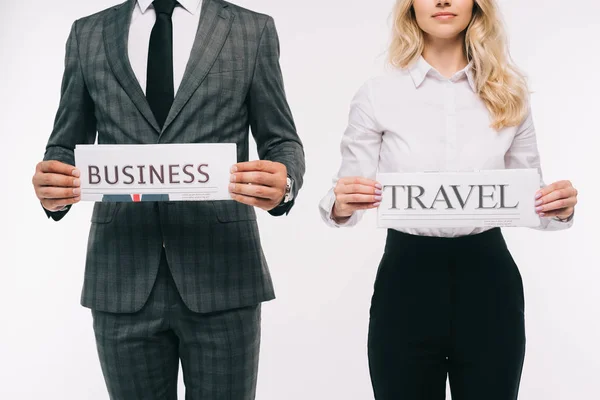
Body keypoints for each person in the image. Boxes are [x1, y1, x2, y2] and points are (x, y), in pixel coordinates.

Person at [31, 0, 305, 399]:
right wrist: (53, 181)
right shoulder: (87, 33)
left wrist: (286, 181)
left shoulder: (252, 29)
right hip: (121, 273)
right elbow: (65, 143)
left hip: (224, 272)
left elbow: (281, 140)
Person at [318, 0, 577, 399]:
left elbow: (530, 199)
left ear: (477, 6)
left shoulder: (510, 92)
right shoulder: (377, 95)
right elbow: (345, 196)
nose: (442, 0)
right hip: (405, 281)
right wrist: (340, 202)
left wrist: (557, 207)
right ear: (410, 7)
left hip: (489, 282)